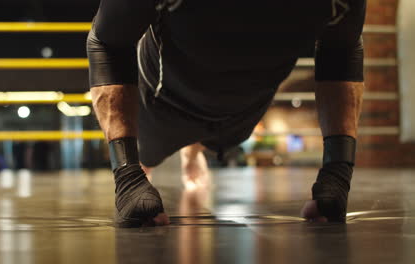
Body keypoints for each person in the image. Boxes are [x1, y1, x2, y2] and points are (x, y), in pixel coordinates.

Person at [87, 0, 366, 227]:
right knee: (147, 156)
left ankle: (193, 151)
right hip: (166, 102)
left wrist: (337, 173)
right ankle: (172, 155)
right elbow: (107, 42)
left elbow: (341, 50)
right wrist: (128, 177)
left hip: (243, 107)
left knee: (219, 138)